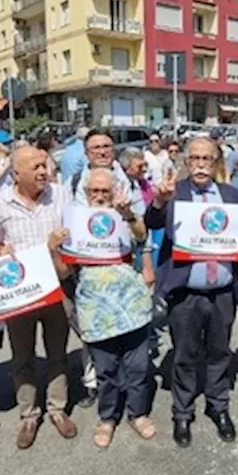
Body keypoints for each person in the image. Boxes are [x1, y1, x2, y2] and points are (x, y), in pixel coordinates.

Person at [145, 136, 238, 448]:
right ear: (186, 163)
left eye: (207, 159)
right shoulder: (175, 193)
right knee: (186, 356)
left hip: (223, 292)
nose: (201, 164)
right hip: (186, 292)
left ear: (217, 162)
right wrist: (160, 201)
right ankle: (182, 413)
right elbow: (152, 220)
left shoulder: (232, 196)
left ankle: (218, 407)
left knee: (219, 353)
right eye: (195, 159)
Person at [55, 168, 157, 448]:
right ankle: (108, 417)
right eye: (94, 191)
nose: (100, 196)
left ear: (115, 191)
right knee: (106, 368)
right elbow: (64, 272)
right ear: (86, 193)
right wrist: (55, 248)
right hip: (95, 306)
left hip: (130, 302)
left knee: (137, 365)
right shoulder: (75, 221)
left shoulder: (124, 213)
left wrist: (128, 215)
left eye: (105, 191)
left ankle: (138, 413)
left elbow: (141, 237)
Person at [0, 146, 80, 448]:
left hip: (57, 287)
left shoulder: (61, 195)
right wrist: (0, 252)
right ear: (16, 174)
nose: (43, 172)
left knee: (58, 354)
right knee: (22, 356)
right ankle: (29, 414)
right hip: (21, 294)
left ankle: (57, 409)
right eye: (36, 167)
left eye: (45, 165)